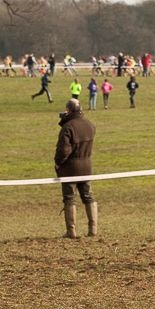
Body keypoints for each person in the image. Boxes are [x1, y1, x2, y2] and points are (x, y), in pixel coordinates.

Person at [55, 98, 97, 238]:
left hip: (70, 169)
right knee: (88, 196)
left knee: (69, 198)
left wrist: (58, 162)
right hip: (86, 167)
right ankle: (93, 229)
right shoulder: (90, 125)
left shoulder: (68, 127)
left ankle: (71, 231)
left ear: (68, 110)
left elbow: (63, 151)